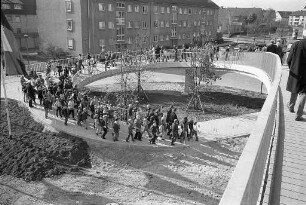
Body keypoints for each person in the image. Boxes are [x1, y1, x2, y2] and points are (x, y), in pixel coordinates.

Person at [286, 31, 306, 121]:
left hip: (296, 70)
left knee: (294, 88)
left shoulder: (296, 44)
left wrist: (291, 68)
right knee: (303, 93)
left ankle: (291, 106)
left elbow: (289, 59)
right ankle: (299, 115)